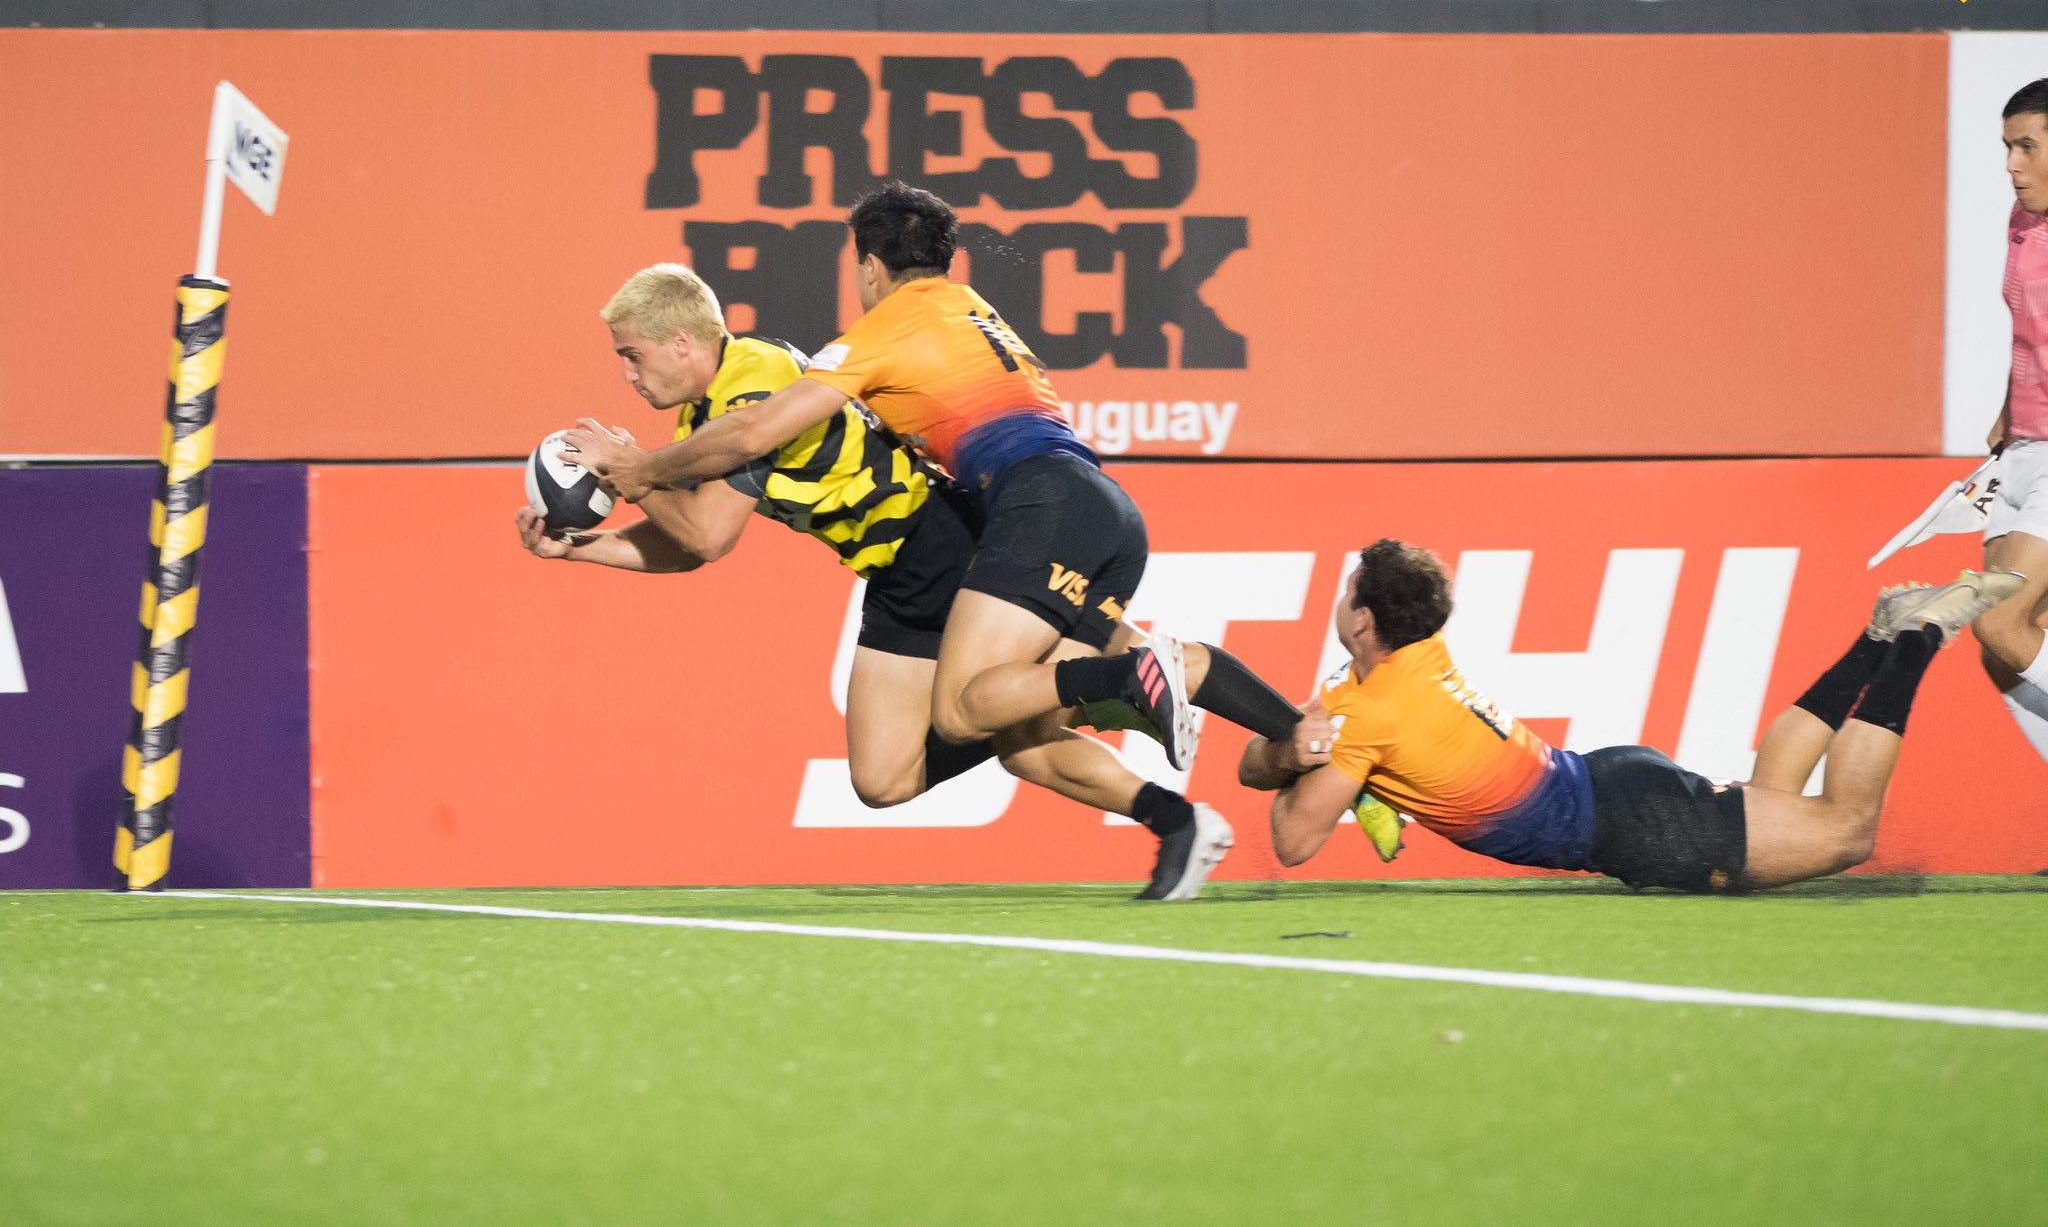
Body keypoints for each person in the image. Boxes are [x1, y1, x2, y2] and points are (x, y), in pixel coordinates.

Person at [529, 262, 1328, 899]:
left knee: (1033, 711)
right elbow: (690, 544)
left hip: (944, 542)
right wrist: (582, 547)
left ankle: (1233, 744)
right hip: (896, 575)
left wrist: (632, 473)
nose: (627, 373)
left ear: (681, 342)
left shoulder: (754, 379)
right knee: (892, 776)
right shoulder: (698, 425)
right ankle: (1167, 774)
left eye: (631, 354)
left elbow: (704, 530)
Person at [1238, 538, 2022, 891]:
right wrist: (1298, 755)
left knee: (1846, 828)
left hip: (1637, 826)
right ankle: (1877, 635)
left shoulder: (1360, 708)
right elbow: (1259, 765)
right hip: (1614, 781)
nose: (1339, 599)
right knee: (1776, 791)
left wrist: (1303, 755)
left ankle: (1920, 637)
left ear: (1366, 620)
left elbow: (1295, 840)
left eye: (1348, 591)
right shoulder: (1408, 661)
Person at [1972, 78, 2048, 776]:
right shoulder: (2021, 220)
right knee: (2001, 649)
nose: (2011, 164)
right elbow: (2025, 329)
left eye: (2026, 145)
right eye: (2006, 147)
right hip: (2024, 448)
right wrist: (2007, 409)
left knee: (2001, 621)